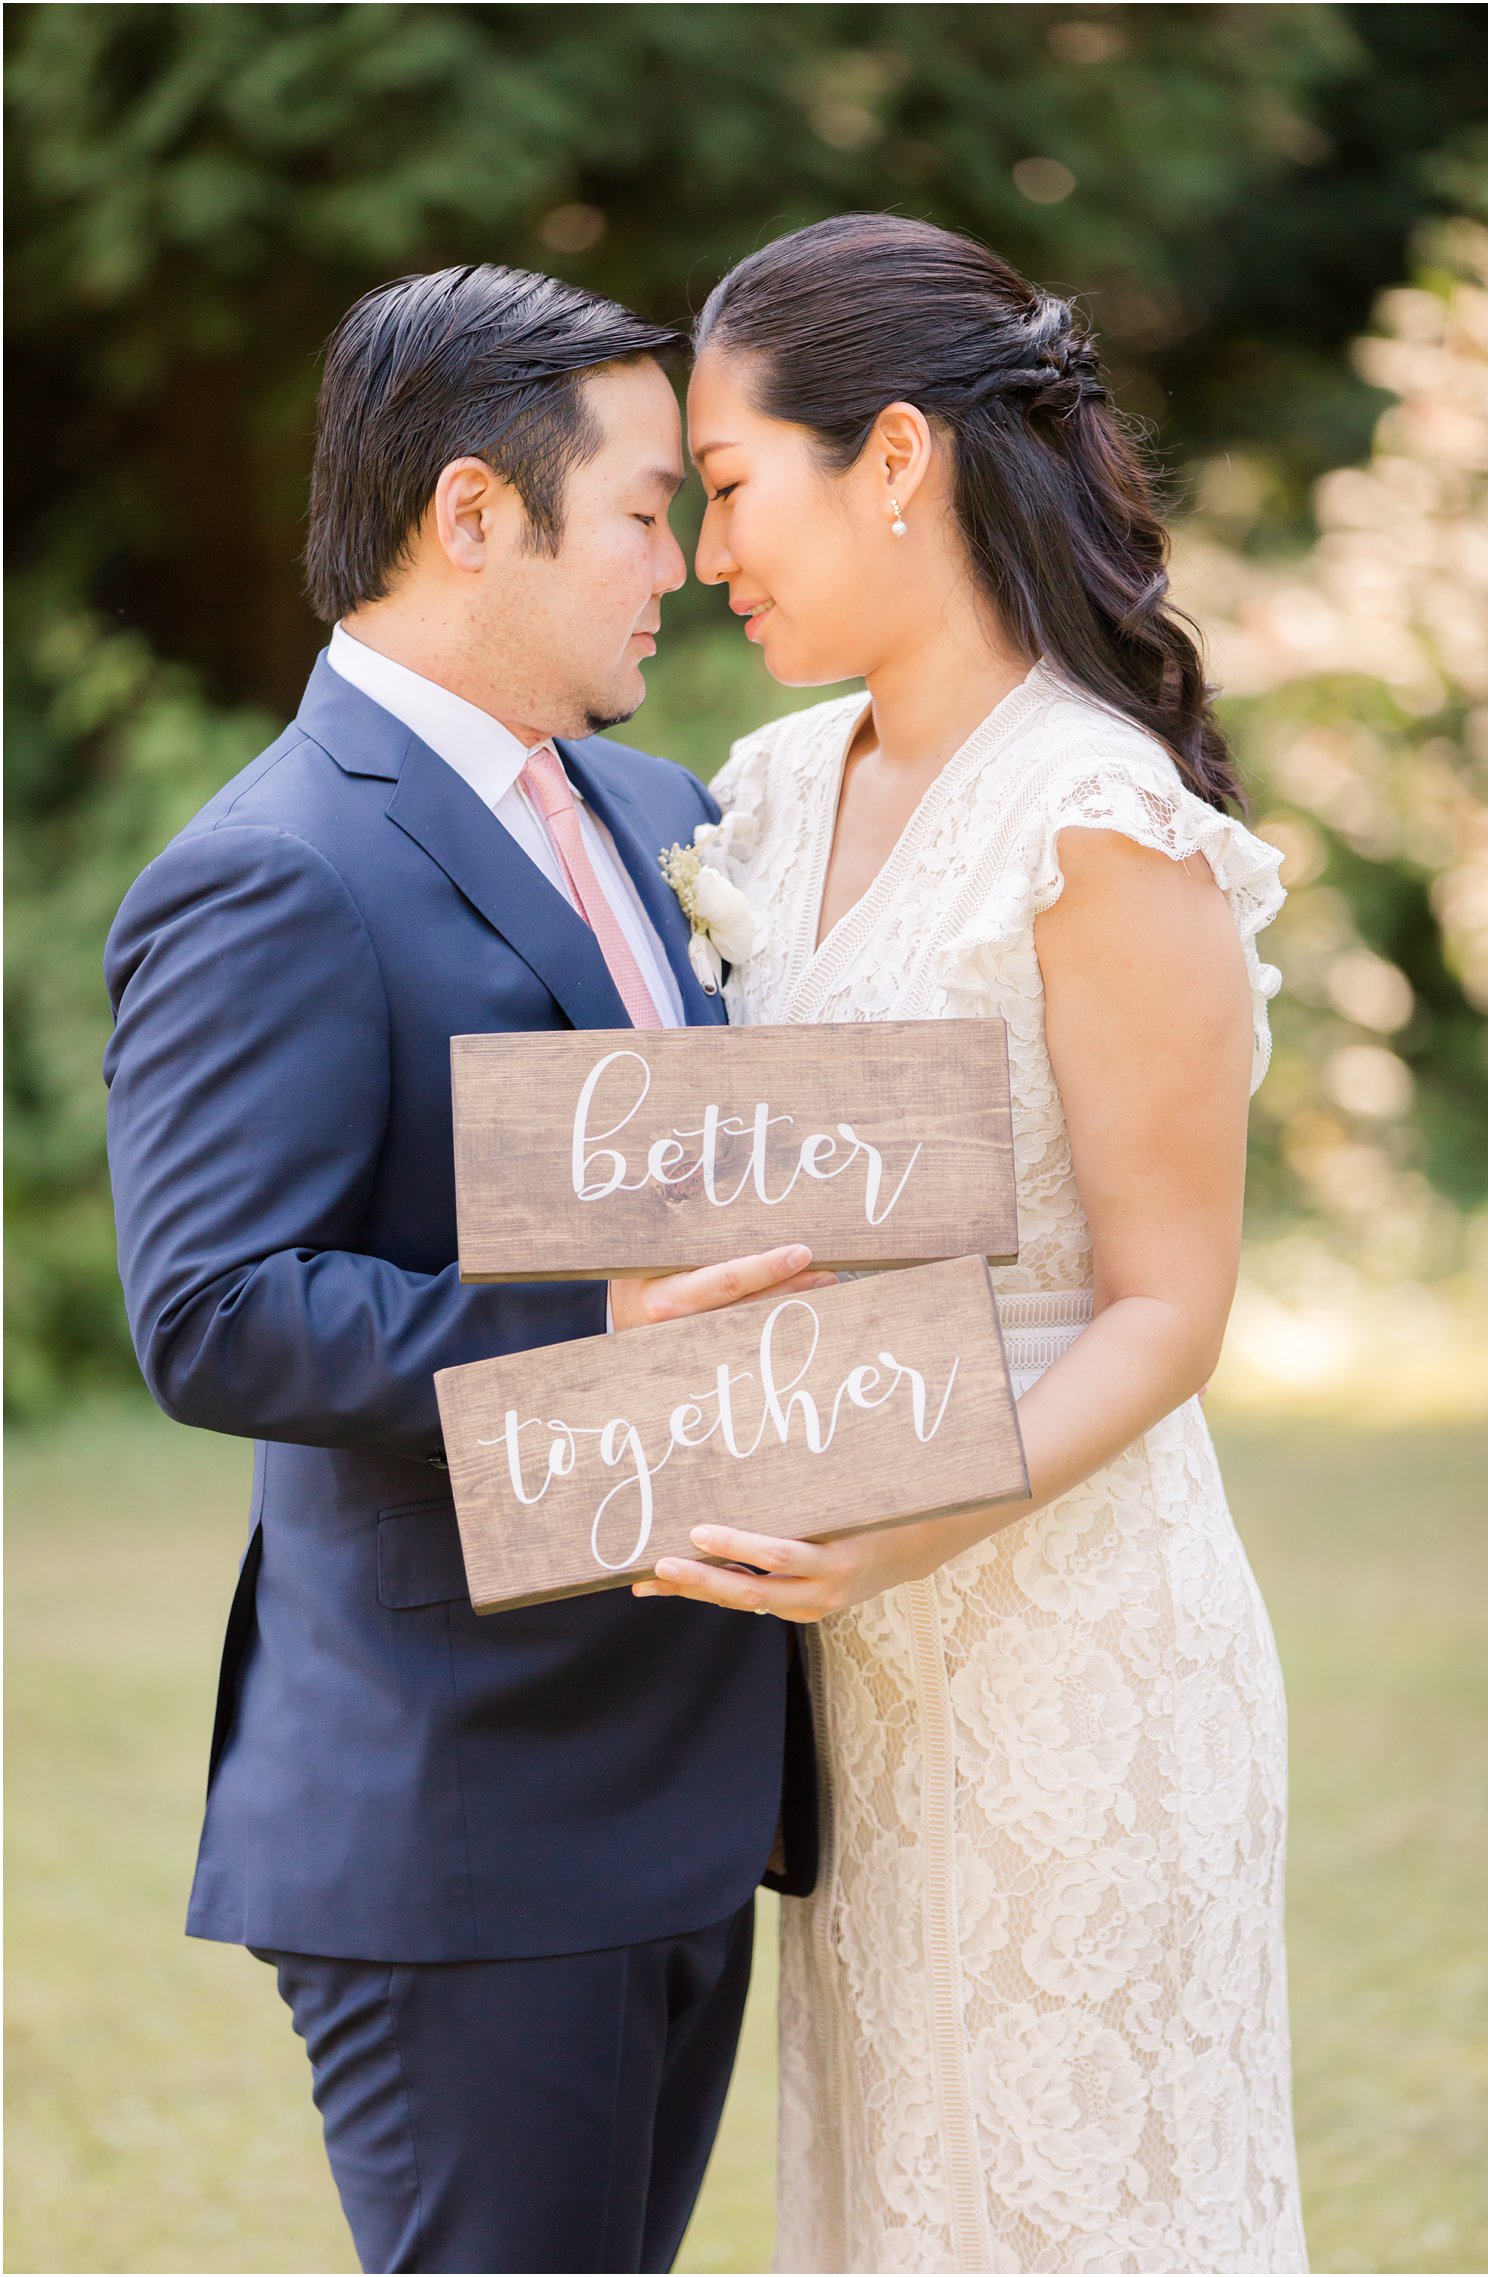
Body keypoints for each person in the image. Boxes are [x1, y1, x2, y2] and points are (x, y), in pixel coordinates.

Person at [102, 263, 822, 2277]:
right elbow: (217, 1307)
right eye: (649, 509)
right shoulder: (273, 868)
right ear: (475, 513)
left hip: (688, 1775)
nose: (681, 560)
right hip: (466, 1815)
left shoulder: (662, 808)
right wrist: (596, 1325)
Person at [635, 214, 1310, 2272]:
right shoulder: (758, 786)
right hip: (841, 1669)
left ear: (899, 458)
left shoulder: (1091, 817)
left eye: (731, 485)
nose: (697, 552)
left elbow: (1167, 1304)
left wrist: (915, 1523)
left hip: (1062, 1638)